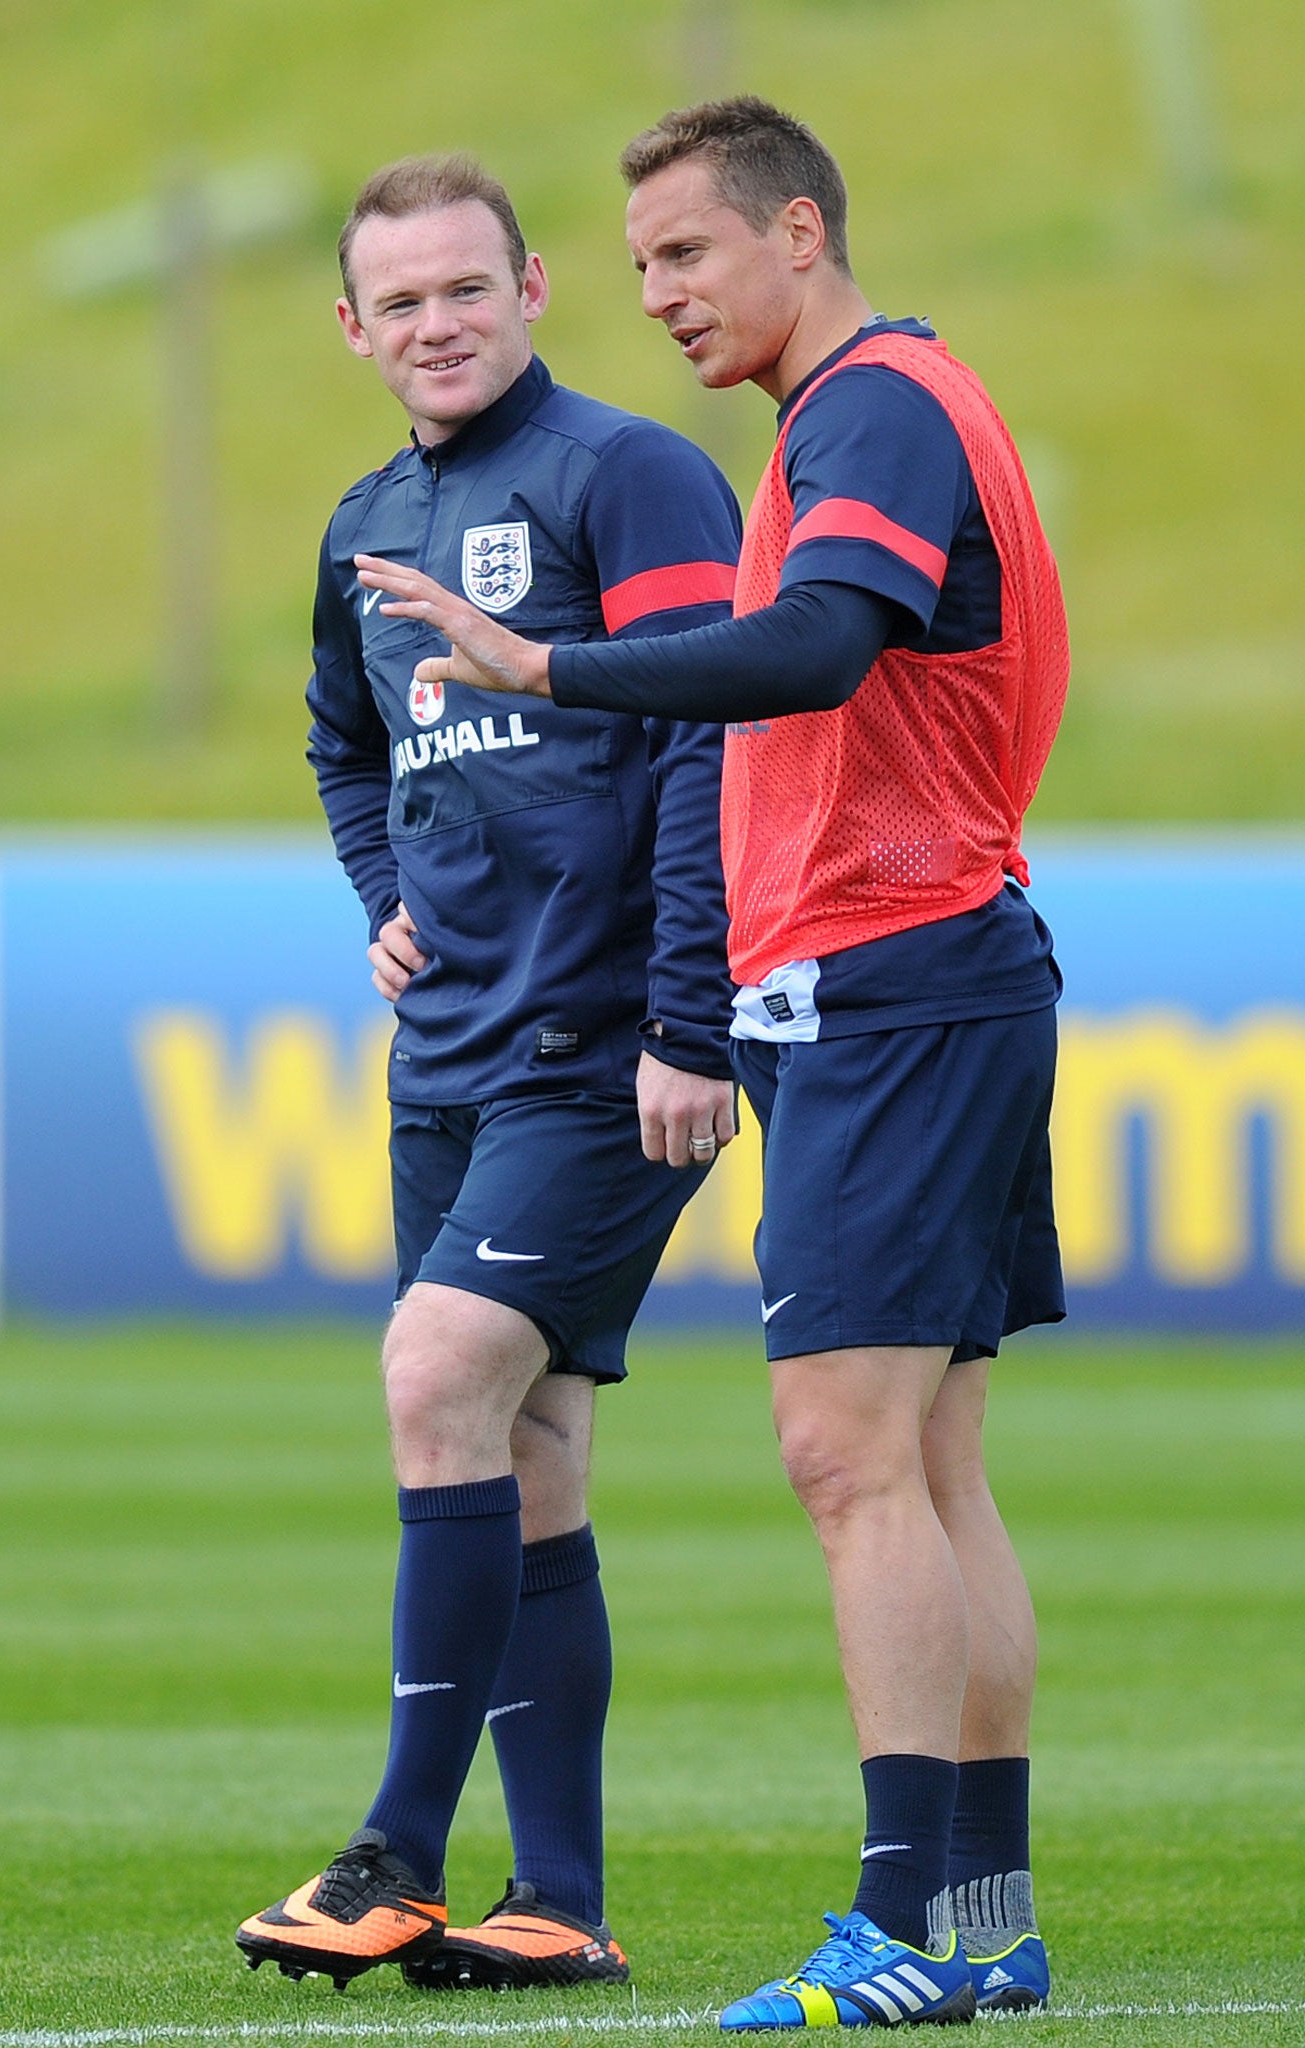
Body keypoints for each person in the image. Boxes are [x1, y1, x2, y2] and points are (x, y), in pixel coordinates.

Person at [356, 98, 1070, 2030]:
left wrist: (544, 668)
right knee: (927, 1463)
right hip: (941, 966)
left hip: (891, 979)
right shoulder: (873, 409)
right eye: (650, 259)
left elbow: (819, 647)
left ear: (802, 232)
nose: (661, 294)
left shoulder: (872, 409)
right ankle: (983, 1924)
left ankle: (904, 1933)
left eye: (687, 253)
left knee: (848, 1460)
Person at [235, 153, 742, 1995]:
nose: (437, 326)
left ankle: (395, 1851)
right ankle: (564, 1900)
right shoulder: (365, 520)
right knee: (525, 1449)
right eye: (401, 303)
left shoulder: (631, 473)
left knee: (437, 1372)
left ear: (533, 287)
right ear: (352, 326)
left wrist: (696, 1014)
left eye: (469, 289)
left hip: (604, 1048)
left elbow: (709, 726)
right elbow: (340, 742)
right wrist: (381, 894)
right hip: (443, 1056)